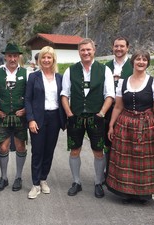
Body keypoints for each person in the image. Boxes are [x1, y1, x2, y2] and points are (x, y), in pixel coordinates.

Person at [106, 50, 154, 204]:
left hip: (146, 125)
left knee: (143, 160)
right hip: (125, 124)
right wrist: (111, 125)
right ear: (132, 62)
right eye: (138, 59)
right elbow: (118, 106)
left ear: (147, 63)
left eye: (144, 59)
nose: (141, 62)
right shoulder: (123, 82)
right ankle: (126, 193)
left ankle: (143, 194)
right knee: (126, 159)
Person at [61, 38, 115, 198]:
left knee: (98, 151)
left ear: (94, 50)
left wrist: (102, 114)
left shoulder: (104, 70)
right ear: (79, 52)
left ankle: (98, 182)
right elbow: (65, 94)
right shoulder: (70, 70)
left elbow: (110, 95)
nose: (85, 52)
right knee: (74, 150)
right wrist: (69, 113)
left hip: (96, 117)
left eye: (88, 50)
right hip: (76, 116)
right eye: (82, 50)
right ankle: (76, 182)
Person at [25, 46, 66, 199]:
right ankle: (35, 184)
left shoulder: (60, 78)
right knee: (37, 151)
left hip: (55, 117)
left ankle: (43, 180)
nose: (46, 60)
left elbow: (64, 98)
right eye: (44, 57)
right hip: (38, 118)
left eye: (49, 57)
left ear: (53, 59)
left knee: (49, 151)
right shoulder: (33, 77)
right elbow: (28, 100)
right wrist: (31, 119)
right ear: (40, 59)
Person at [0, 43, 29, 192]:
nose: (12, 59)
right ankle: (4, 177)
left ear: (19, 57)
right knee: (3, 146)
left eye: (15, 56)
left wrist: (25, 109)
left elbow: (29, 96)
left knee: (20, 146)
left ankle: (18, 177)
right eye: (9, 56)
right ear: (5, 57)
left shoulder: (27, 73)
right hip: (3, 116)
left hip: (20, 117)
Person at [104, 37, 133, 178]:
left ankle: (122, 175)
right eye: (116, 46)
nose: (119, 49)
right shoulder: (106, 66)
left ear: (127, 48)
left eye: (122, 46)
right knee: (108, 141)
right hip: (109, 109)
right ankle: (107, 173)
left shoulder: (134, 65)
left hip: (128, 110)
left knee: (125, 143)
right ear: (112, 47)